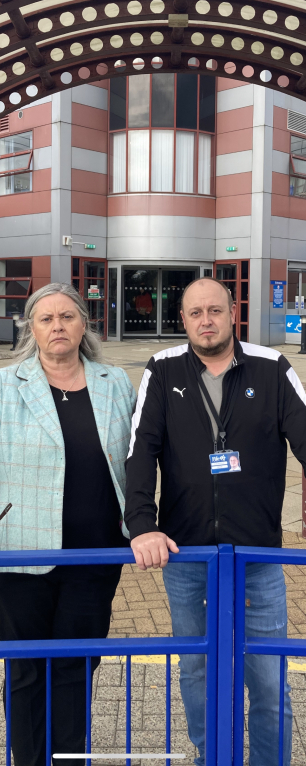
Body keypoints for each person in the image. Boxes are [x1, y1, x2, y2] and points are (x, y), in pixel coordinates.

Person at [0, 282, 136, 766]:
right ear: (32, 328)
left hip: (96, 558)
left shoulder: (116, 382)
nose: (58, 326)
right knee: (26, 671)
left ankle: (68, 759)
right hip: (18, 558)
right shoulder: (4, 385)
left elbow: (140, 459)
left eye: (67, 316)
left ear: (84, 324)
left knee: (77, 668)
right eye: (46, 319)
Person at [124, 276, 306, 766]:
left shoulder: (273, 368)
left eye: (215, 311)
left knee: (268, 677)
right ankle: (213, 757)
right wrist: (141, 524)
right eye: (195, 313)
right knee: (198, 670)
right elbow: (140, 450)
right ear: (183, 320)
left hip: (257, 556)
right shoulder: (162, 370)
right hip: (187, 555)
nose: (206, 321)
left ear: (232, 314)